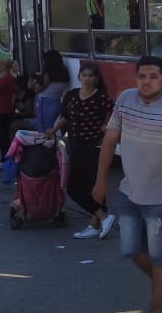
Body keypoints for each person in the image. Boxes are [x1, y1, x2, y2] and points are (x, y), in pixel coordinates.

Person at [92, 56, 162, 313]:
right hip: (129, 192)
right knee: (132, 250)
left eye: (152, 76)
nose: (145, 82)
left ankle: (156, 309)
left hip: (161, 198)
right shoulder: (125, 100)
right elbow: (109, 141)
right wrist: (100, 182)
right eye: (141, 76)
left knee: (161, 256)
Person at [45, 61, 116, 240]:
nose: (87, 78)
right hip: (76, 144)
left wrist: (106, 126)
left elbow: (116, 114)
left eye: (91, 75)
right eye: (84, 75)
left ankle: (100, 220)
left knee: (93, 186)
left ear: (96, 79)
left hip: (95, 146)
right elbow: (65, 117)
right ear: (79, 77)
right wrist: (53, 130)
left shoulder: (101, 97)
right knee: (75, 187)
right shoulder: (71, 95)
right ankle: (100, 219)